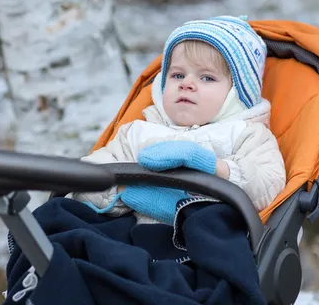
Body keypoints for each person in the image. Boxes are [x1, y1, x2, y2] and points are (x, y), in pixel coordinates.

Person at [73, 15, 286, 225]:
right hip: (130, 235)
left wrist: (213, 166)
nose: (187, 84)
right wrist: (125, 190)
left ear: (236, 94)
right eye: (177, 75)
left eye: (207, 78)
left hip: (199, 240)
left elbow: (268, 185)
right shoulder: (138, 131)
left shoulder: (246, 133)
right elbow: (86, 182)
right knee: (62, 211)